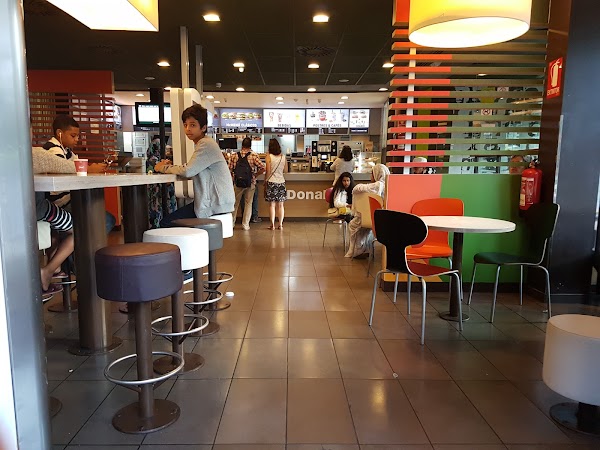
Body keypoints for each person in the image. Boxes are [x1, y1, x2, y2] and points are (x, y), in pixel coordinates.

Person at [154, 104, 235, 226]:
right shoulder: (206, 143)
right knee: (173, 220)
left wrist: (162, 168)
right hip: (218, 202)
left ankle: (186, 239)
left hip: (215, 204)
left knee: (166, 223)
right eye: (185, 125)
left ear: (203, 127)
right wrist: (172, 168)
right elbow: (191, 169)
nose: (188, 129)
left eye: (192, 125)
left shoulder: (205, 144)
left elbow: (188, 171)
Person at [43, 115, 116, 232]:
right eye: (73, 136)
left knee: (105, 218)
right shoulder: (54, 150)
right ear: (59, 133)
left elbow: (76, 166)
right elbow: (64, 169)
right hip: (58, 204)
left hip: (67, 200)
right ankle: (79, 242)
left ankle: (77, 240)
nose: (77, 139)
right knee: (106, 221)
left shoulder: (66, 150)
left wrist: (92, 168)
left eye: (78, 136)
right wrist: (90, 169)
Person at [32, 147, 75, 294]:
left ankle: (56, 268)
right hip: (38, 209)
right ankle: (48, 270)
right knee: (80, 230)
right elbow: (68, 167)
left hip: (10, 212)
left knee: (54, 227)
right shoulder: (33, 154)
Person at [345, 164, 390, 258]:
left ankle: (358, 249)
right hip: (384, 217)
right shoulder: (389, 184)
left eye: (372, 174)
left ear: (377, 174)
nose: (371, 176)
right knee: (362, 227)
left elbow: (357, 188)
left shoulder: (378, 184)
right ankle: (362, 248)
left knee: (353, 225)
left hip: (375, 219)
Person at [228, 137, 265, 230]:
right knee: (248, 203)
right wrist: (255, 175)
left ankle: (231, 224)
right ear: (250, 145)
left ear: (242, 145)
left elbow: (229, 169)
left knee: (235, 203)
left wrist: (233, 178)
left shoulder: (234, 155)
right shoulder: (254, 155)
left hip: (237, 183)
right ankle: (245, 225)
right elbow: (263, 168)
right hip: (250, 183)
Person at [264, 138, 288, 230]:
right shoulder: (283, 157)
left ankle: (272, 225)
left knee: (272, 205)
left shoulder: (268, 157)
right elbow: (286, 170)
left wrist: (265, 181)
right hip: (281, 182)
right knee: (281, 205)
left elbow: (268, 171)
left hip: (271, 182)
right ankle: (280, 225)